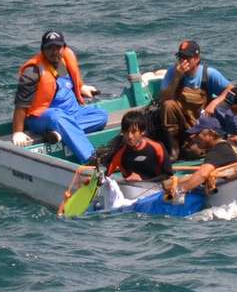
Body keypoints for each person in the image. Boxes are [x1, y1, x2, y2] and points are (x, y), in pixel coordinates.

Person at [11, 30, 108, 163]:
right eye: (49, 48)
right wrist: (18, 132)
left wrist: (81, 87)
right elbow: (21, 105)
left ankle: (60, 132)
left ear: (64, 47)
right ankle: (91, 160)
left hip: (72, 113)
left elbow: (65, 83)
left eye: (57, 47)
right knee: (57, 117)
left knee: (101, 114)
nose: (54, 51)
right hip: (44, 116)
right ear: (42, 50)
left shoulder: (61, 61)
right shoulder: (33, 72)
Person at [159, 40, 231, 161]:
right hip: (180, 121)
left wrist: (214, 102)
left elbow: (230, 89)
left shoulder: (208, 74)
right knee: (168, 105)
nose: (183, 61)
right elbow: (164, 98)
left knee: (193, 152)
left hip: (200, 124)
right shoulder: (173, 72)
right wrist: (177, 77)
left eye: (187, 58)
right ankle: (174, 146)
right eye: (180, 57)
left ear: (197, 59)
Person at [163, 116, 237, 196]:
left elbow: (203, 174)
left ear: (211, 134)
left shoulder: (217, 151)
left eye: (197, 134)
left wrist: (178, 191)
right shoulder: (230, 146)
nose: (192, 137)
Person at [106, 111, 173, 181]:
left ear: (142, 131)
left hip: (157, 188)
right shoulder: (119, 154)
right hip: (131, 189)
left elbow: (168, 175)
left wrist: (142, 180)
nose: (130, 136)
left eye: (134, 131)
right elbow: (105, 177)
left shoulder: (157, 147)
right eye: (126, 131)